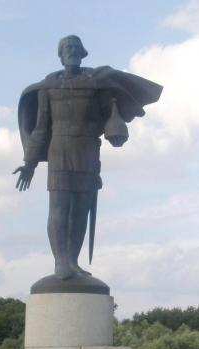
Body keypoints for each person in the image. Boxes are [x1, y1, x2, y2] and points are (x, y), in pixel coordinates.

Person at [14, 35, 162, 280]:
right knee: (59, 208)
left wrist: (116, 130)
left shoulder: (97, 83)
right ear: (60, 55)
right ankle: (61, 262)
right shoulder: (48, 87)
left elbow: (110, 120)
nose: (71, 51)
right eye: (66, 48)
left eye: (75, 48)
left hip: (88, 150)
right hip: (59, 149)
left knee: (80, 209)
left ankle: (72, 261)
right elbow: (41, 128)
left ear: (83, 53)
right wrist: (29, 163)